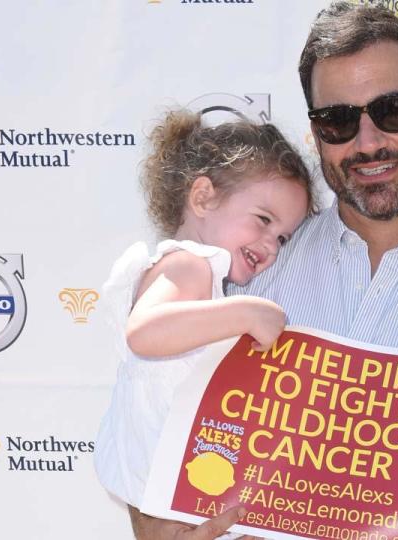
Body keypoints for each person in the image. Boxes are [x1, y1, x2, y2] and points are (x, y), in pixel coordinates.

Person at [128, 3, 398, 540]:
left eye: (393, 110)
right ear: (316, 136)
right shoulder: (245, 272)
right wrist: (159, 531)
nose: (367, 142)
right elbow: (146, 427)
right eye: (338, 120)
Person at [93, 109, 314, 537]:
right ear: (203, 198)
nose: (270, 245)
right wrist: (246, 312)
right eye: (264, 220)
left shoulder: (197, 274)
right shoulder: (192, 265)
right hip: (166, 485)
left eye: (283, 237)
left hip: (174, 487)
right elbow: (146, 331)